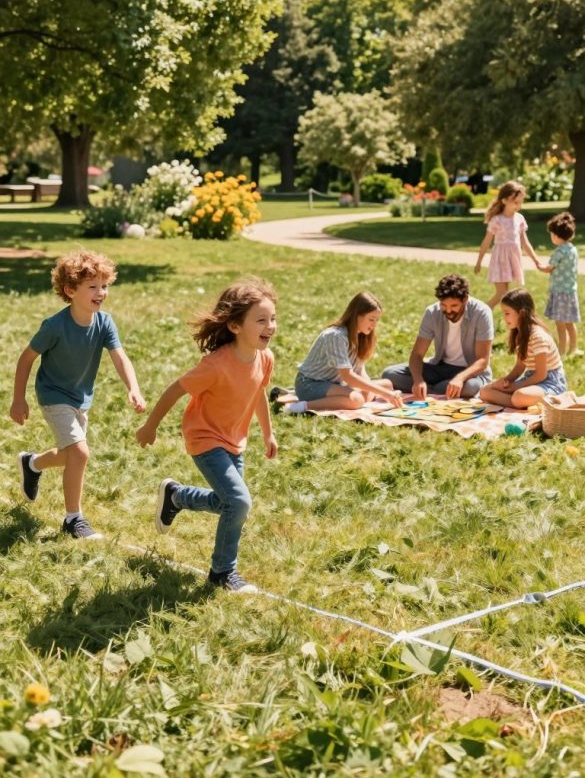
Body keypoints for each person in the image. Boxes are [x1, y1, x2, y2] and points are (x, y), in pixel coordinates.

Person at [136, 277, 278, 594]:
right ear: (235, 326)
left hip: (234, 441)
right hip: (204, 438)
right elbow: (175, 390)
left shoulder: (264, 358)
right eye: (261, 320)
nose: (270, 326)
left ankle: (176, 496)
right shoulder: (215, 365)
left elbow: (258, 393)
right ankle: (222, 573)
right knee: (239, 502)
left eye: (272, 318)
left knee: (227, 503)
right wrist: (151, 426)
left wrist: (268, 434)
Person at [10, 250, 146, 539]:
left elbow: (120, 357)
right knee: (80, 453)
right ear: (71, 290)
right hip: (53, 394)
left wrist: (132, 387)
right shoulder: (55, 326)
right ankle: (74, 519)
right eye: (93, 287)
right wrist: (18, 398)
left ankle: (32, 463)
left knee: (70, 455)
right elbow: (26, 359)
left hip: (80, 397)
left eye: (104, 286)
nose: (101, 292)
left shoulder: (104, 323)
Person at [283, 292, 402, 415]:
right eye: (371, 319)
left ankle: (347, 400)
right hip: (310, 384)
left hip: (334, 384)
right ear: (356, 315)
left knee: (387, 384)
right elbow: (348, 377)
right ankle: (301, 407)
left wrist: (381, 391)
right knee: (357, 400)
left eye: (376, 320)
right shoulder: (336, 336)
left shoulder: (360, 337)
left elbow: (360, 373)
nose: (374, 325)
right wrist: (384, 394)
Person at [382, 274, 493, 398]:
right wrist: (418, 380)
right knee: (389, 373)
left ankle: (435, 389)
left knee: (470, 388)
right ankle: (438, 389)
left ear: (465, 299)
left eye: (454, 306)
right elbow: (417, 354)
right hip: (440, 368)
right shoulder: (432, 312)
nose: (449, 311)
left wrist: (459, 378)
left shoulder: (482, 312)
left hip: (470, 373)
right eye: (444, 305)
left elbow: (482, 360)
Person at [479, 288, 567, 408]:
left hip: (550, 382)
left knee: (519, 396)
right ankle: (521, 403)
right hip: (531, 379)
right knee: (485, 391)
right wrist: (507, 381)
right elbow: (520, 366)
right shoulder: (520, 334)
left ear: (521, 313)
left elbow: (541, 375)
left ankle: (524, 401)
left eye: (507, 313)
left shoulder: (538, 337)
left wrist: (516, 386)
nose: (504, 318)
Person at [474, 181, 542, 308]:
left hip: (513, 259)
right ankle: (480, 313)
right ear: (504, 200)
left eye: (521, 202)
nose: (519, 205)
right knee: (502, 294)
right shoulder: (497, 220)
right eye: (515, 202)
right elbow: (486, 242)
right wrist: (479, 261)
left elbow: (525, 242)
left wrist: (536, 261)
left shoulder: (519, 219)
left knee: (508, 296)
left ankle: (508, 321)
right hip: (500, 260)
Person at [537, 211, 581, 357]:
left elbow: (549, 268)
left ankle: (561, 352)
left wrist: (539, 266)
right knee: (569, 323)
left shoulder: (559, 252)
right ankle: (573, 349)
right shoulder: (573, 249)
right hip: (570, 291)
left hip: (559, 292)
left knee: (560, 324)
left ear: (556, 235)